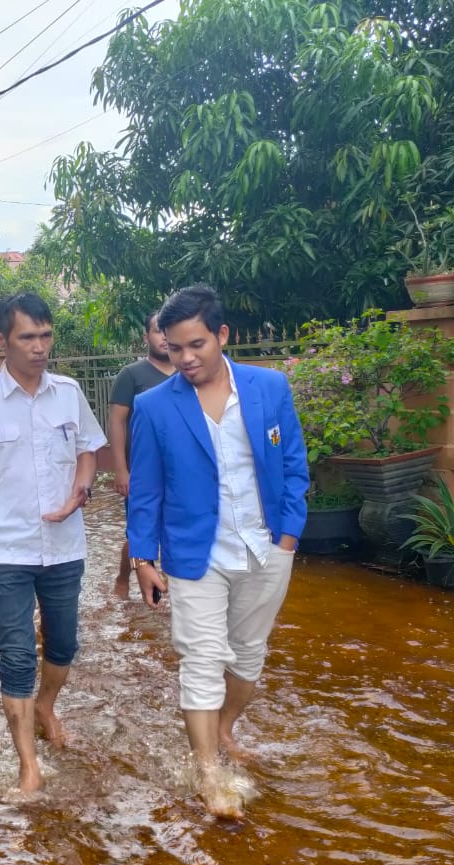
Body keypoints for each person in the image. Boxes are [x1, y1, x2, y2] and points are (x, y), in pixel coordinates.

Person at [127, 284, 308, 818]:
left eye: (196, 345)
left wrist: (289, 537)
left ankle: (225, 729)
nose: (184, 358)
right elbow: (146, 492)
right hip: (193, 555)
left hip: (266, 547)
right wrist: (143, 558)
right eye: (174, 347)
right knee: (202, 660)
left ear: (222, 335)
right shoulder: (153, 407)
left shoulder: (268, 388)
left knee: (248, 653)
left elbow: (294, 465)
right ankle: (210, 774)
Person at [0, 293, 106, 794]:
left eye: (46, 336)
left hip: (64, 544)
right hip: (4, 549)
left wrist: (82, 488)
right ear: (1, 340)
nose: (39, 347)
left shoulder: (69, 392)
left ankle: (46, 705)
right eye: (27, 337)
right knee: (16, 653)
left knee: (64, 643)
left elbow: (88, 451)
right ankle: (28, 764)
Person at [108, 312, 175, 597]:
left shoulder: (189, 372)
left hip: (178, 470)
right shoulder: (132, 375)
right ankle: (123, 578)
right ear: (146, 336)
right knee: (137, 530)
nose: (164, 337)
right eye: (158, 331)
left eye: (168, 331)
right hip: (143, 470)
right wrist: (121, 470)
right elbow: (117, 422)